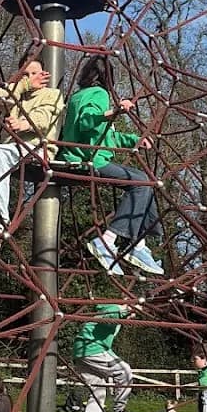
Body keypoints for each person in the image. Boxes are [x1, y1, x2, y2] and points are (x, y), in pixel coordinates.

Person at [60, 55, 163, 276]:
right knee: (142, 182)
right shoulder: (99, 94)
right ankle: (109, 240)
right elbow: (88, 122)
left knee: (145, 182)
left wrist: (133, 140)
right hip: (86, 160)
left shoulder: (78, 95)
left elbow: (105, 136)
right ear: (108, 77)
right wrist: (114, 111)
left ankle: (139, 244)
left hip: (83, 155)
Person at [0, 59, 64, 243]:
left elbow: (43, 119)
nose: (30, 78)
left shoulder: (52, 94)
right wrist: (22, 85)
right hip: (13, 149)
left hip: (38, 148)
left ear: (44, 75)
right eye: (25, 75)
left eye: (34, 73)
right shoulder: (18, 95)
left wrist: (22, 125)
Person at [73, 303, 133, 412]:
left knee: (98, 392)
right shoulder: (114, 309)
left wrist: (125, 314)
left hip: (81, 353)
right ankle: (119, 411)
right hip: (92, 349)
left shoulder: (112, 310)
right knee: (125, 372)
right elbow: (108, 317)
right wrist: (123, 311)